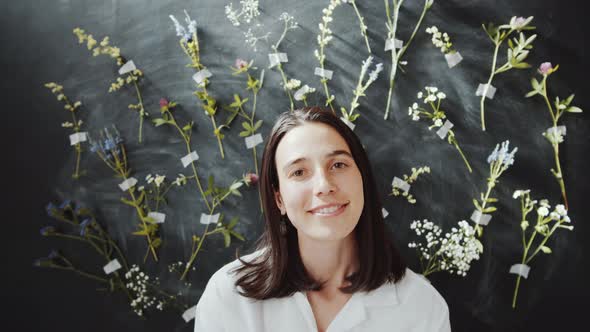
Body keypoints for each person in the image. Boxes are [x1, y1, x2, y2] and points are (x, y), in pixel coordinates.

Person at [193, 107, 451, 332]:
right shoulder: (228, 295)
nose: (324, 186)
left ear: (362, 179)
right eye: (299, 172)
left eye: (338, 165)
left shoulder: (421, 306)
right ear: (279, 199)